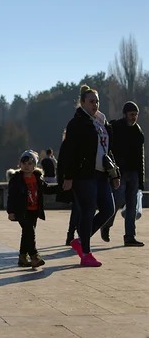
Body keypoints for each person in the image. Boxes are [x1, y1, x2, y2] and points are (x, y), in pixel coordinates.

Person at [60, 85, 120, 267]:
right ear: (83, 103)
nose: (95, 105)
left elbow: (108, 151)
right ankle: (86, 252)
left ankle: (81, 239)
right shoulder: (77, 123)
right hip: (83, 174)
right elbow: (69, 151)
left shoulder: (102, 122)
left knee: (109, 209)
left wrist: (115, 174)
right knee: (88, 210)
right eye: (91, 101)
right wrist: (68, 176)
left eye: (97, 101)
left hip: (102, 174)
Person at [100, 101, 145, 247]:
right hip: (119, 173)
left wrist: (141, 179)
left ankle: (130, 236)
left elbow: (141, 157)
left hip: (133, 174)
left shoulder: (138, 130)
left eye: (136, 115)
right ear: (125, 114)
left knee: (131, 206)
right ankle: (106, 225)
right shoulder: (116, 128)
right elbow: (107, 148)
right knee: (117, 202)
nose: (134, 118)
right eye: (132, 115)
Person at [7, 150, 60, 268]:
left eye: (30, 163)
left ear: (35, 166)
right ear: (19, 164)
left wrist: (61, 187)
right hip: (22, 211)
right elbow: (11, 197)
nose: (27, 166)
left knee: (27, 233)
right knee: (30, 232)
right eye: (24, 163)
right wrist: (10, 212)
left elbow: (47, 189)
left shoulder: (37, 179)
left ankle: (22, 257)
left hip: (34, 211)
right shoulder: (16, 180)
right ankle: (34, 256)